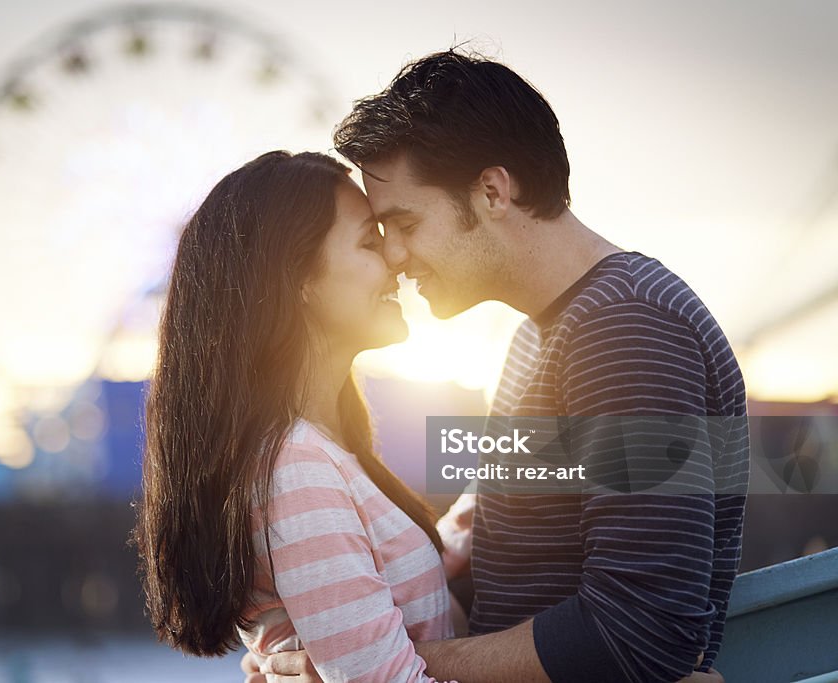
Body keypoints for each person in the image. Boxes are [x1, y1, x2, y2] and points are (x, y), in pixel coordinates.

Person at [246, 50, 747, 683]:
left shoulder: (627, 327)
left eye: (404, 223)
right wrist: (312, 644)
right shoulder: (542, 338)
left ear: (491, 191)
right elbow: (503, 568)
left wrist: (377, 668)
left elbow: (641, 629)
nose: (395, 256)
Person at [134, 151, 468, 682]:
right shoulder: (296, 469)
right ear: (298, 281)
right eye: (369, 242)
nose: (396, 259)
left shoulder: (323, 452)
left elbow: (386, 575)